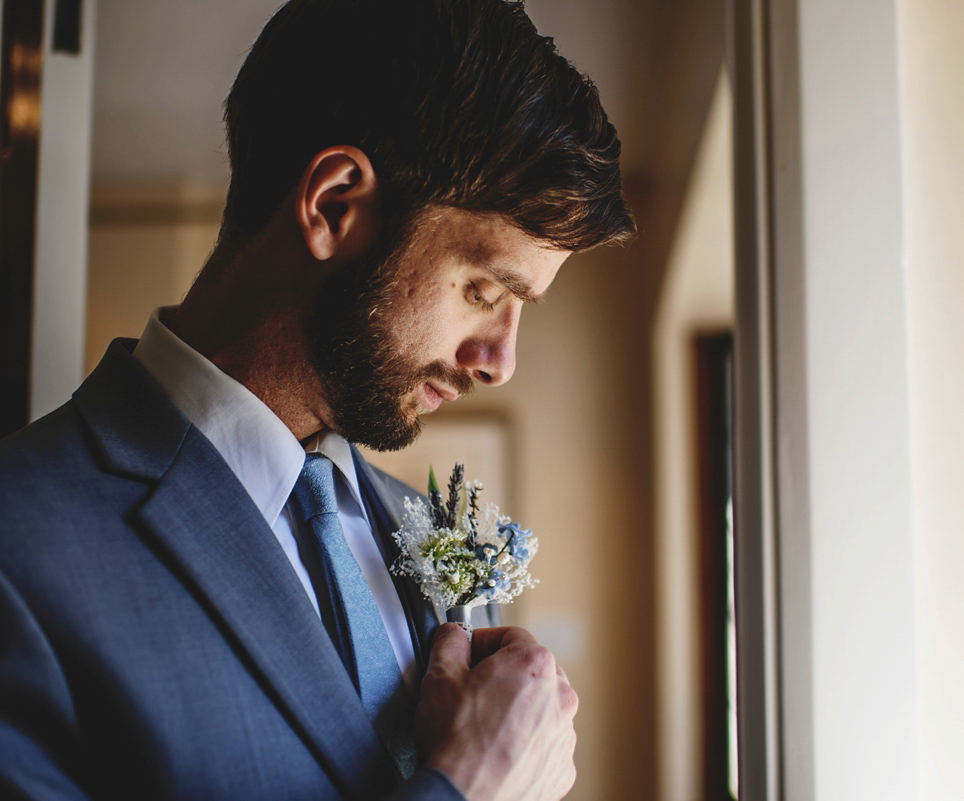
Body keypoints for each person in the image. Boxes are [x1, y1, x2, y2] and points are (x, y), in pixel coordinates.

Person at [0, 0, 634, 799]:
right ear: (335, 204)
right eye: (481, 290)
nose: (499, 362)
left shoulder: (417, 525)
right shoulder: (19, 544)